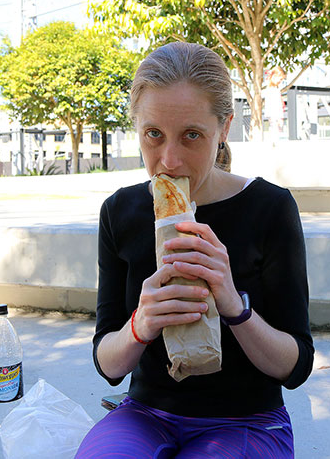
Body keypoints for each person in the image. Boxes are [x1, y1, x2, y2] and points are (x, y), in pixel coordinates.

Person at [76, 42, 314, 458]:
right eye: (154, 135)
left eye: (191, 136)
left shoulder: (271, 208)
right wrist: (141, 323)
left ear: (223, 128)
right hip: (145, 413)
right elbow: (108, 365)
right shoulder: (119, 211)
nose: (169, 160)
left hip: (248, 420)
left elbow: (295, 367)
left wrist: (231, 301)